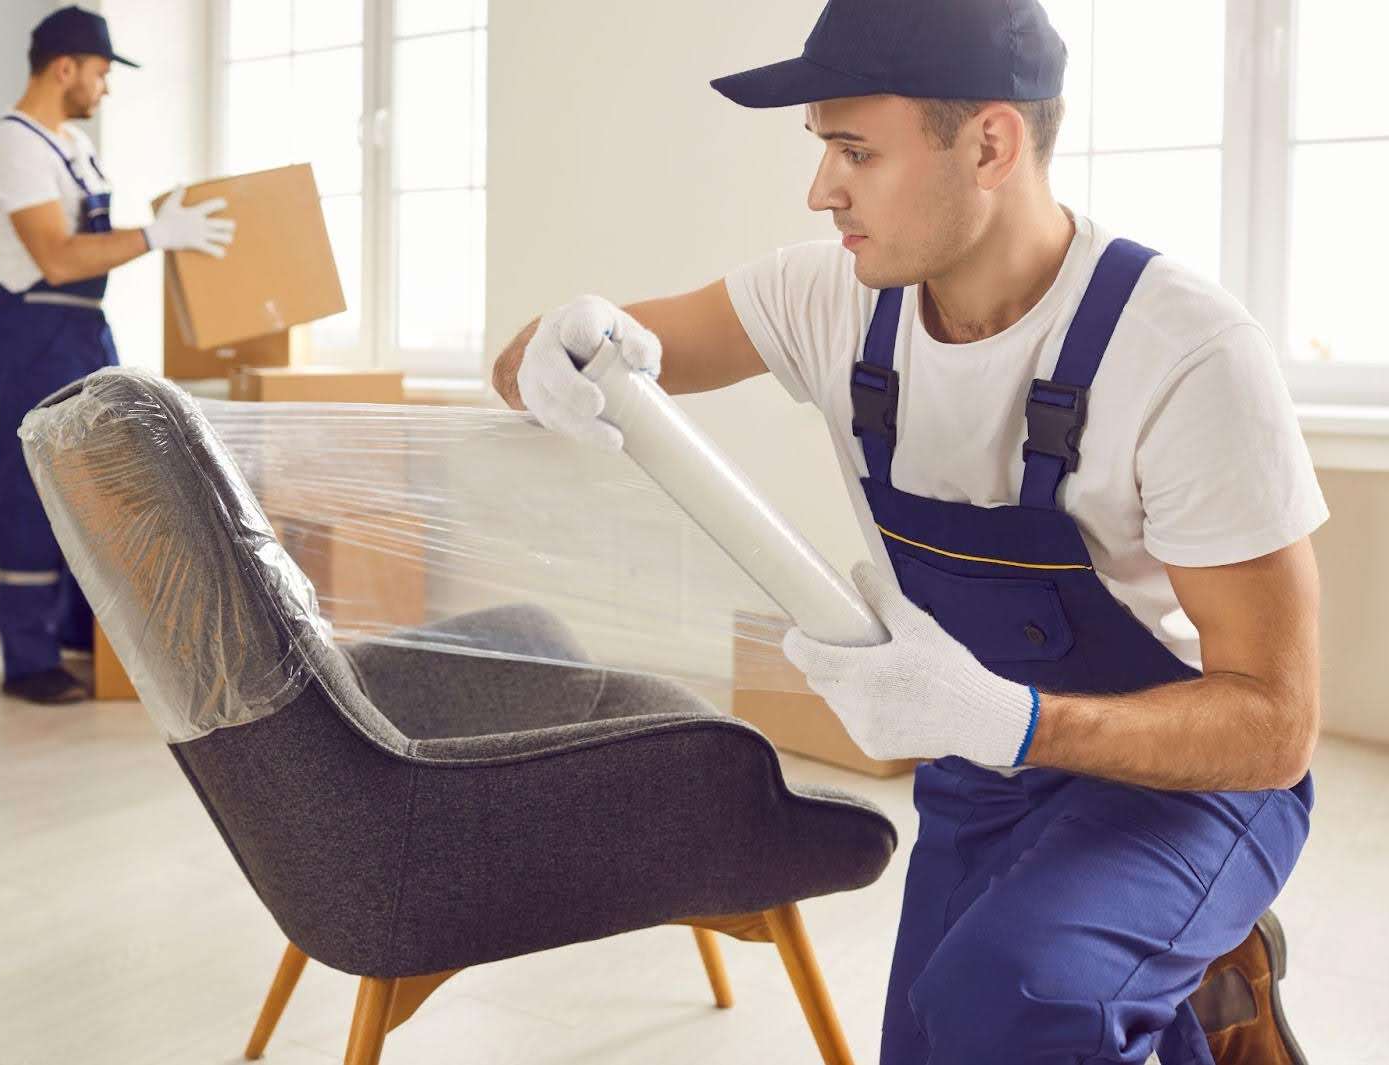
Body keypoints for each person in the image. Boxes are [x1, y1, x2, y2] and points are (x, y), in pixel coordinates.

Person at [491, 1, 1322, 1061]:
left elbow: (1274, 727)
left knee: (1017, 996)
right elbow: (564, 360)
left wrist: (1017, 721)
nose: (818, 190)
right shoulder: (826, 298)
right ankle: (1192, 1002)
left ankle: (1183, 958)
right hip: (987, 774)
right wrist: (554, 348)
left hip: (1193, 786)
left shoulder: (1186, 357)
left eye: (854, 151)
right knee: (941, 1035)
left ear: (989, 144)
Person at [0, 6, 234, 704]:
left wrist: (159, 228)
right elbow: (57, 257)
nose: (105, 88)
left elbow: (93, 245)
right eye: (100, 73)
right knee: (33, 485)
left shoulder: (71, 145)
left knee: (92, 480)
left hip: (87, 329)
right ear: (65, 68)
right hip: (36, 328)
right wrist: (155, 236)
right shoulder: (13, 145)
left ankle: (77, 636)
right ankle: (27, 658)